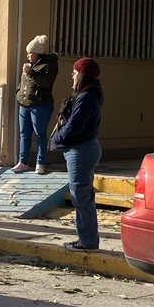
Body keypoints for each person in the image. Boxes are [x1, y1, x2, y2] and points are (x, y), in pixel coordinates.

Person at [51, 57, 104, 251]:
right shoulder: (85, 95)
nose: (72, 76)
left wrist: (57, 139)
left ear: (82, 75)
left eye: (74, 73)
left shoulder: (87, 97)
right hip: (81, 149)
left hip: (81, 150)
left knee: (81, 197)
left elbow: (75, 125)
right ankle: (86, 238)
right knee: (81, 196)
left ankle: (88, 241)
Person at [11, 34, 59, 175]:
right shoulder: (29, 66)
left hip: (40, 105)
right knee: (24, 134)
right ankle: (23, 162)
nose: (28, 55)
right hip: (25, 104)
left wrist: (31, 73)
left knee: (40, 134)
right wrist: (19, 94)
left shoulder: (48, 65)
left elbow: (46, 83)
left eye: (30, 53)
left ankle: (40, 163)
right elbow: (23, 83)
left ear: (37, 53)